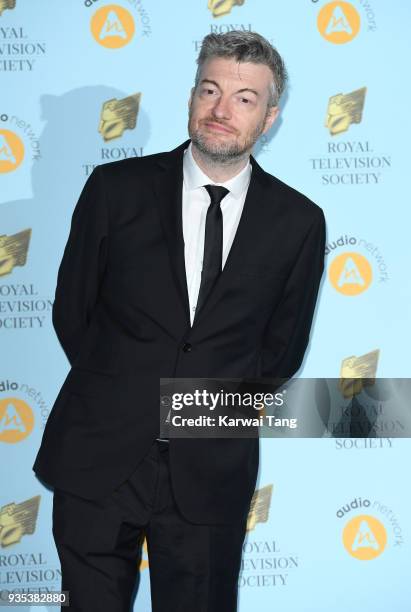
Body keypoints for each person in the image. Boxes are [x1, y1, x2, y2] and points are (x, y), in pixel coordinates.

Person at [33, 30, 326, 612]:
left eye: (245, 99)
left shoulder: (298, 221)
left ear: (268, 119)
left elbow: (281, 353)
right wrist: (124, 389)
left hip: (210, 467)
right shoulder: (115, 190)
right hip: (100, 458)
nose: (222, 110)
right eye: (211, 89)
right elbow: (73, 312)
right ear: (192, 95)